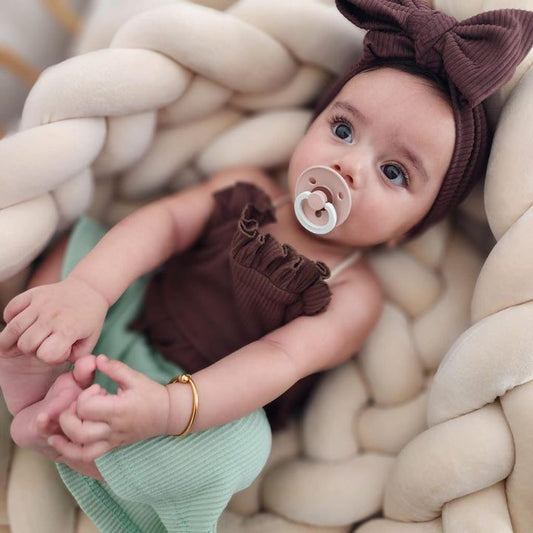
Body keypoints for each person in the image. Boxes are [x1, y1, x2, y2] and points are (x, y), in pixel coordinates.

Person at [1, 1, 532, 531]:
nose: (349, 167)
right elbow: (162, 226)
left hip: (194, 410)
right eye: (343, 130)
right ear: (312, 125)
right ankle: (43, 380)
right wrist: (90, 292)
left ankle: (84, 443)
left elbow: (278, 358)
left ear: (407, 229)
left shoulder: (351, 292)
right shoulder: (248, 190)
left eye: (393, 171)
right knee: (81, 244)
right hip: (128, 320)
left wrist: (166, 410)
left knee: (240, 449)